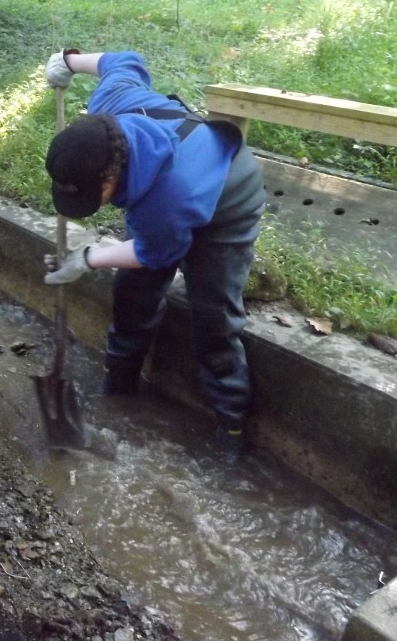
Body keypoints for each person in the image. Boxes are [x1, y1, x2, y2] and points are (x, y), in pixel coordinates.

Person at [42, 48, 266, 458]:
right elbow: (122, 60)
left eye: (96, 196)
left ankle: (231, 432)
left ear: (111, 176)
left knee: (214, 319)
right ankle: (119, 382)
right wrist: (69, 60)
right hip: (163, 190)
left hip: (228, 202)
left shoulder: (166, 203)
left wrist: (87, 258)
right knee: (132, 295)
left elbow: (152, 253)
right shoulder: (109, 104)